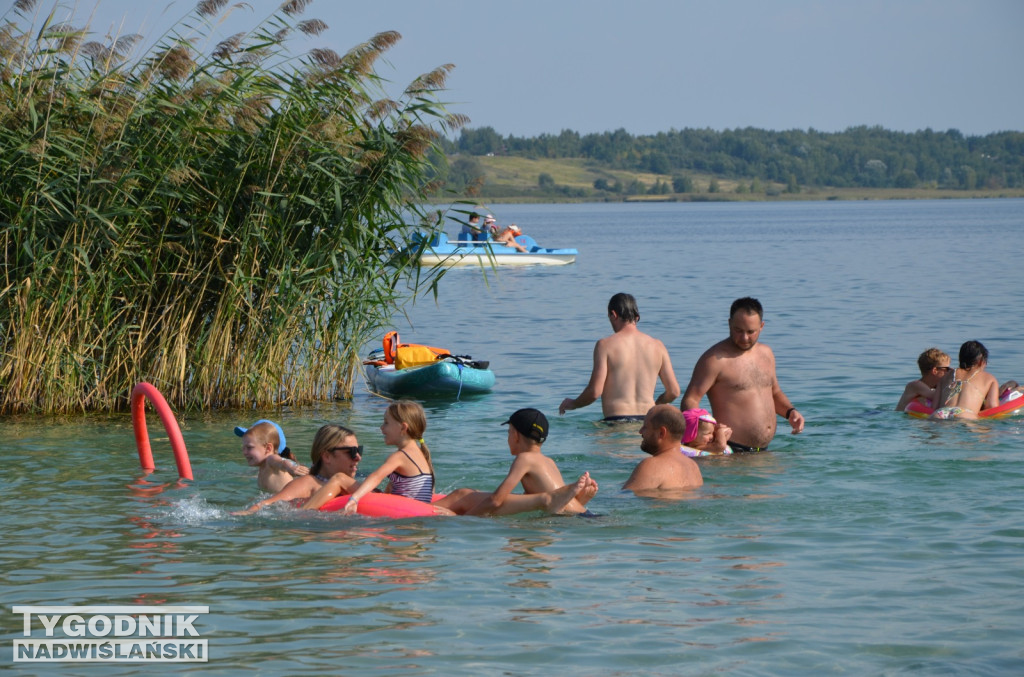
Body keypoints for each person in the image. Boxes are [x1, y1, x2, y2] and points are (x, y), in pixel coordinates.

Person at [681, 297, 804, 451]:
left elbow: (774, 392)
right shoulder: (715, 360)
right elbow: (690, 400)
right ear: (729, 324)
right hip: (731, 451)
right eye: (738, 330)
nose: (744, 338)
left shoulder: (767, 354)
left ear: (762, 326)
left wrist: (790, 412)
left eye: (750, 332)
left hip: (764, 452)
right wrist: (705, 433)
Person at [435, 408, 598, 516]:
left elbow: (495, 500)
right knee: (469, 494)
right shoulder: (548, 462)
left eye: (508, 432)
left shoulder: (524, 459)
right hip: (584, 514)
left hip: (564, 517)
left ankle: (426, 509)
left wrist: (466, 520)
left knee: (464, 494)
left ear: (516, 436)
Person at [560, 293, 681, 422]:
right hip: (647, 424)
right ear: (636, 317)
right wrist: (657, 403)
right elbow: (674, 391)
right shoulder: (658, 345)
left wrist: (573, 403)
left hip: (616, 422)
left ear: (613, 314)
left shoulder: (605, 345)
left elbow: (594, 392)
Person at [232, 424, 362, 515]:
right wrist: (247, 513)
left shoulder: (356, 486)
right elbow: (269, 503)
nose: (358, 457)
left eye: (359, 450)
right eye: (351, 452)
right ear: (327, 456)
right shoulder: (308, 483)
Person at [623, 405, 704, 494]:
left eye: (645, 427)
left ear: (661, 433)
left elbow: (623, 500)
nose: (640, 431)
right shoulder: (693, 466)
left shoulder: (652, 465)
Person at [930, 340, 1000, 420]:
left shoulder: (946, 375)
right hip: (965, 414)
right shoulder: (989, 378)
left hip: (941, 413)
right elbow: (992, 407)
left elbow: (934, 406)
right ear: (981, 362)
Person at [235, 419, 307, 493]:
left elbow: (282, 462)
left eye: (249, 447)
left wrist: (291, 467)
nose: (244, 452)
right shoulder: (262, 467)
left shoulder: (271, 459)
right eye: (243, 448)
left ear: (268, 448)